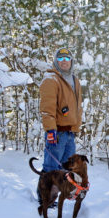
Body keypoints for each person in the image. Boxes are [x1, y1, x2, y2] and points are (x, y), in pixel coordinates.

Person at [37, 47, 83, 205]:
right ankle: (45, 199)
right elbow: (47, 109)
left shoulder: (74, 80)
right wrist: (50, 130)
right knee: (51, 167)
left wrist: (76, 128)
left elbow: (78, 107)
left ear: (71, 61)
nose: (64, 62)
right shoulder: (51, 79)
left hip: (69, 133)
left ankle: (56, 196)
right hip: (56, 133)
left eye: (67, 59)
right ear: (56, 61)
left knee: (65, 169)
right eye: (61, 59)